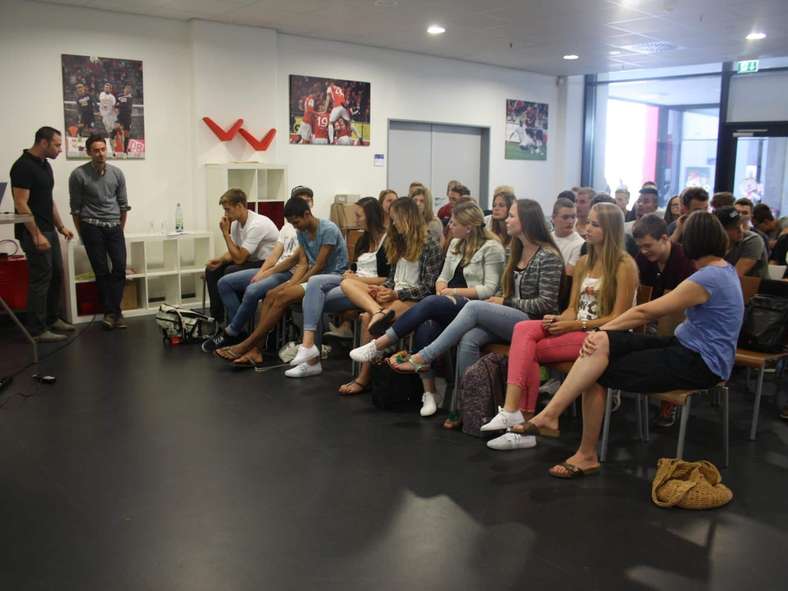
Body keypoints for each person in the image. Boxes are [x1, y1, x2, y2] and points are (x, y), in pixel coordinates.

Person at [522, 211, 743, 479]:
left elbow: (645, 312)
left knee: (596, 369)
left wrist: (599, 329)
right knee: (602, 345)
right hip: (685, 347)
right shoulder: (723, 270)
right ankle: (551, 416)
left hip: (701, 362)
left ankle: (584, 453)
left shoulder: (708, 278)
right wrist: (602, 334)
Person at [384, 199, 563, 429]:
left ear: (527, 221)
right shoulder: (514, 249)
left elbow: (546, 304)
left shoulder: (548, 256)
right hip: (510, 316)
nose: (506, 220)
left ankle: (422, 357)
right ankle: (466, 406)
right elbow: (502, 289)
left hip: (532, 324)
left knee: (473, 307)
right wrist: (500, 300)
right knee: (469, 338)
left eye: (512, 216)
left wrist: (503, 301)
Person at [480, 202, 638, 451]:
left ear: (610, 230)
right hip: (576, 329)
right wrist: (560, 320)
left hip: (602, 338)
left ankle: (522, 425)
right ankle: (513, 413)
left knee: (527, 349)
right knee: (524, 329)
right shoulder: (584, 262)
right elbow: (573, 307)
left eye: (595, 225)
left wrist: (573, 324)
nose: (587, 229)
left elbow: (619, 318)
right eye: (588, 223)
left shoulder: (624, 265)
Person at [352, 200, 505, 416]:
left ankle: (380, 344)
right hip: (449, 301)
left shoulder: (492, 248)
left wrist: (451, 291)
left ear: (469, 227)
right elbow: (442, 277)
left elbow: (489, 289)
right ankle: (429, 393)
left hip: (475, 305)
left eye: (454, 223)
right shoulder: (455, 244)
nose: (449, 225)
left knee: (431, 302)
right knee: (426, 324)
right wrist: (442, 287)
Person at [215, 196, 348, 366]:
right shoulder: (302, 231)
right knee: (271, 295)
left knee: (282, 296)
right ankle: (256, 351)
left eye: (296, 222)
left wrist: (294, 284)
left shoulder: (328, 229)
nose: (295, 227)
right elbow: (302, 262)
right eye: (292, 223)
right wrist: (290, 282)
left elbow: (319, 265)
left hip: (333, 277)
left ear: (307, 214)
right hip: (315, 278)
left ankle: (247, 345)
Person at [336, 197, 442, 395]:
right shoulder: (398, 241)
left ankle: (362, 378)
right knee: (347, 283)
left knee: (367, 318)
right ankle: (376, 310)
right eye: (392, 219)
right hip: (395, 296)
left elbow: (428, 288)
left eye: (396, 218)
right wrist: (383, 290)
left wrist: (395, 293)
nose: (393, 223)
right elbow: (392, 279)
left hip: (414, 300)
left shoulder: (430, 245)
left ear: (408, 217)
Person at [285, 197, 389, 378]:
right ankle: (309, 353)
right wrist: (351, 272)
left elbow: (387, 279)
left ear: (371, 216)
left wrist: (358, 279)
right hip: (351, 283)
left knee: (313, 293)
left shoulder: (388, 242)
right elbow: (357, 266)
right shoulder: (363, 240)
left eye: (358, 215)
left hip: (366, 288)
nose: (355, 220)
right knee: (314, 291)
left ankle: (310, 356)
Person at [202, 188, 313, 352]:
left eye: (307, 201)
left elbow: (296, 262)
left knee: (250, 288)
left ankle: (232, 332)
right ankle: (234, 328)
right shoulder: (286, 228)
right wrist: (261, 272)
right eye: (299, 201)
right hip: (273, 267)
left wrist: (267, 273)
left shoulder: (306, 229)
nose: (303, 205)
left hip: (286, 272)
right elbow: (274, 256)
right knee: (223, 281)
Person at [11, 126, 75, 342]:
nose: (60, 149)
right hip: (33, 231)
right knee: (41, 278)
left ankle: (51, 318)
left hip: (48, 229)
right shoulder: (23, 166)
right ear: (43, 143)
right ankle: (37, 330)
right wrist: (36, 235)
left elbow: (48, 200)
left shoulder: (44, 165)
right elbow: (21, 203)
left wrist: (61, 226)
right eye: (57, 145)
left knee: (56, 273)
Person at [632, 213, 695, 429]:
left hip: (679, 322)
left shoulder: (685, 261)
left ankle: (668, 402)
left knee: (669, 338)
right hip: (649, 318)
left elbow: (683, 305)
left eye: (648, 246)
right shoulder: (643, 259)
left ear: (665, 239)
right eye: (640, 247)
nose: (643, 251)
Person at [69, 134, 131, 329]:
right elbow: (75, 209)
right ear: (88, 152)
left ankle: (114, 312)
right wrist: (82, 233)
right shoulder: (78, 175)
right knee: (101, 271)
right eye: (96, 150)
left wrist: (119, 228)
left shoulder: (117, 173)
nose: (100, 153)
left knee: (119, 268)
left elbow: (123, 205)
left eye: (103, 149)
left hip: (114, 226)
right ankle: (112, 313)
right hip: (91, 226)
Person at [204, 188, 279, 323]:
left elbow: (239, 258)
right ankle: (217, 318)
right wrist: (220, 260)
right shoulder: (236, 223)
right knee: (212, 270)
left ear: (239, 206)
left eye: (228, 210)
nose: (225, 214)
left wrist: (225, 234)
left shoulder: (257, 224)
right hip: (250, 260)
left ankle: (237, 321)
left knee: (230, 271)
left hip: (267, 263)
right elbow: (235, 251)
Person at [716, 207, 768, 279]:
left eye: (740, 225)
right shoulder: (714, 243)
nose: (740, 230)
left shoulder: (752, 240)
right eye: (734, 227)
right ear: (721, 230)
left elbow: (734, 276)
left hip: (755, 286)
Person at [551, 197, 584, 276]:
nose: (570, 221)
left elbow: (568, 274)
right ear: (553, 218)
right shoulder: (547, 238)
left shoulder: (580, 244)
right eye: (565, 217)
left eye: (573, 217)